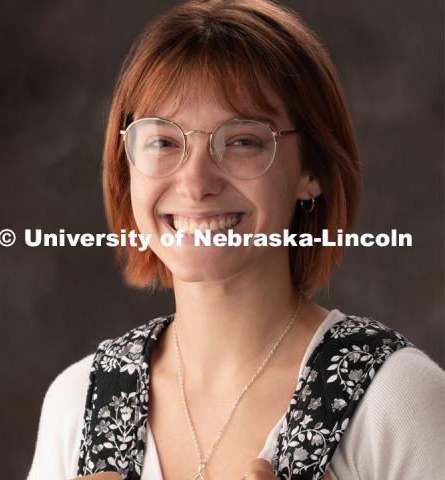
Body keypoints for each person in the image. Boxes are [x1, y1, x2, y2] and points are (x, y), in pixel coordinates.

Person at [27, 1, 444, 479]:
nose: (195, 182)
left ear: (312, 170)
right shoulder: (76, 404)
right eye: (163, 141)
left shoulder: (399, 399)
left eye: (243, 140)